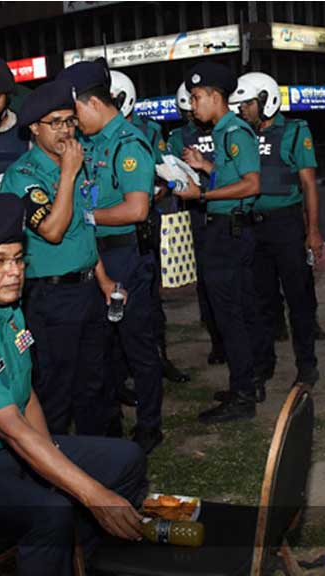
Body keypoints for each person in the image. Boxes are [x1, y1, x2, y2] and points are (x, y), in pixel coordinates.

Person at [0, 194, 147, 576]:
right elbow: (13, 430)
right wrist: (91, 494)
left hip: (4, 450)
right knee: (50, 512)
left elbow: (25, 392)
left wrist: (50, 461)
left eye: (18, 259)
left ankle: (87, 561)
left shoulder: (5, 306)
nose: (14, 271)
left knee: (126, 460)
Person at [58, 59, 165, 452]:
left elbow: (137, 209)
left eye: (75, 113)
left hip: (123, 257)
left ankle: (150, 424)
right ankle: (109, 420)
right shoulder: (88, 143)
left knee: (137, 343)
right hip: (93, 257)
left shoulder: (129, 143)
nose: (72, 123)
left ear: (92, 103)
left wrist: (79, 217)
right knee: (100, 347)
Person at [0, 80, 111, 438]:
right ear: (34, 127)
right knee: (55, 388)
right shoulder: (24, 175)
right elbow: (52, 230)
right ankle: (54, 466)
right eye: (55, 122)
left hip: (87, 289)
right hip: (51, 297)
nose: (65, 130)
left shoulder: (74, 163)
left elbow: (84, 228)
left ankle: (100, 458)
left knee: (94, 383)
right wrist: (67, 173)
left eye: (69, 121)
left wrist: (104, 280)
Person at [171, 62, 262, 423]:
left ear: (214, 96)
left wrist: (202, 195)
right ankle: (245, 383)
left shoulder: (234, 131)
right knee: (233, 313)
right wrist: (205, 165)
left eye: (196, 98)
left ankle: (243, 396)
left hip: (229, 232)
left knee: (231, 316)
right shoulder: (224, 132)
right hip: (227, 230)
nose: (192, 106)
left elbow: (252, 184)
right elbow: (232, 175)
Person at [228, 71, 320, 398]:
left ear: (266, 101)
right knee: (261, 302)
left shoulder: (295, 132)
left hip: (287, 226)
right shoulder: (241, 134)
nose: (243, 110)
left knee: (299, 300)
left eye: (248, 104)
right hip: (254, 227)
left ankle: (307, 366)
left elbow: (308, 184)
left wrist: (313, 230)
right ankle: (262, 367)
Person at [109, 70, 189, 384]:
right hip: (109, 231)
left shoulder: (148, 130)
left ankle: (158, 358)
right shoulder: (89, 133)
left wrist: (159, 191)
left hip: (144, 224)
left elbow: (168, 171)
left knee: (149, 300)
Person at [167, 81, 224, 365]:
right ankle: (217, 339)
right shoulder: (179, 137)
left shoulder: (226, 129)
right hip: (196, 213)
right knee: (206, 281)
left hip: (224, 208)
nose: (192, 112)